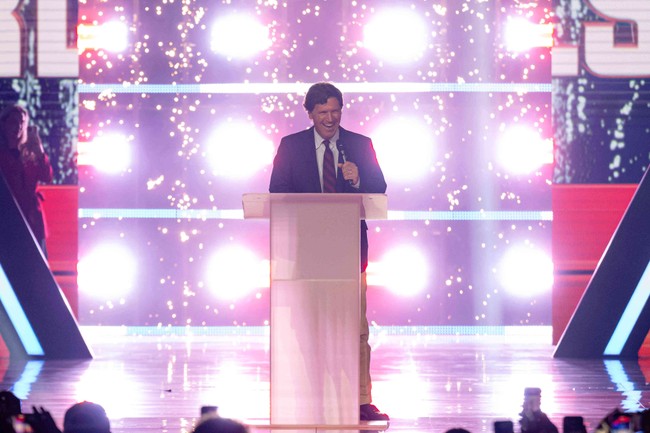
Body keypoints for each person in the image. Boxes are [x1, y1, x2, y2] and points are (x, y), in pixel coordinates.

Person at [269, 82, 388, 421]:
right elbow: (277, 193)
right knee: (309, 327)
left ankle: (361, 400)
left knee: (356, 329)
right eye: (323, 112)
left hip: (349, 252)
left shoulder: (360, 145)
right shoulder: (291, 146)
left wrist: (358, 179)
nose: (330, 118)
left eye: (335, 111)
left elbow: (379, 191)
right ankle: (313, 396)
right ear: (310, 114)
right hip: (308, 252)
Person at [0, 104, 53, 255]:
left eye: (22, 122)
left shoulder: (30, 153)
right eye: (14, 122)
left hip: (32, 219)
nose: (18, 126)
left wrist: (39, 149)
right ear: (3, 124)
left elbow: (47, 176)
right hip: (7, 218)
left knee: (37, 263)